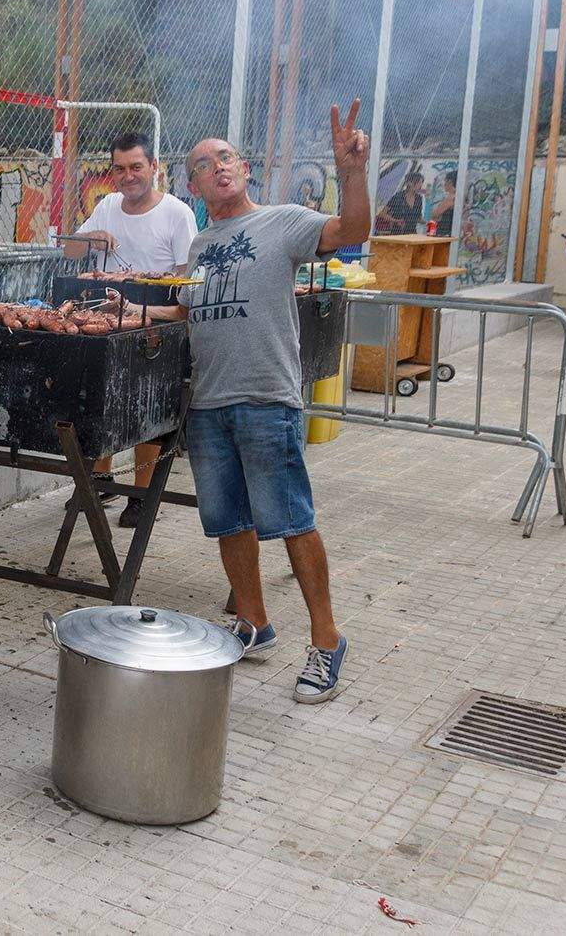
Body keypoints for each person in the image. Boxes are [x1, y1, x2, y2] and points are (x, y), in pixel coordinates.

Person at [177, 101, 372, 704]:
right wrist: (122, 308)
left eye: (226, 157)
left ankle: (327, 640)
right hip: (208, 404)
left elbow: (353, 232)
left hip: (266, 398)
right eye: (205, 163)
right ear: (193, 186)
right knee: (228, 521)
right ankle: (254, 625)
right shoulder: (201, 245)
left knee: (291, 520)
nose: (218, 167)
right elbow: (186, 310)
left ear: (245, 170)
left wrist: (352, 173)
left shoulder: (282, 222)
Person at [63, 133, 197, 527]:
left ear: (154, 167)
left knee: (147, 409)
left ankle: (140, 495)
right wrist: (90, 238)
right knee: (97, 397)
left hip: (154, 322)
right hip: (104, 319)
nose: (128, 175)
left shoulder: (176, 213)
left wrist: (148, 307)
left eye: (136, 167)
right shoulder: (106, 206)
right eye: (119, 168)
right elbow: (70, 250)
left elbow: (186, 279)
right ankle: (100, 480)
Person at [377, 170, 425, 235]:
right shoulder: (398, 197)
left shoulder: (419, 198)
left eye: (421, 182)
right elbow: (382, 213)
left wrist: (427, 222)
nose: (421, 185)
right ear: (409, 183)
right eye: (419, 182)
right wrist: (395, 220)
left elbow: (418, 217)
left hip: (412, 234)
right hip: (397, 233)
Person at [433, 170, 457, 237]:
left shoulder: (451, 197)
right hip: (450, 231)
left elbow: (435, 214)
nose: (444, 184)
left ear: (450, 182)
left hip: (443, 232)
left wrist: (430, 232)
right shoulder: (458, 196)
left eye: (445, 181)